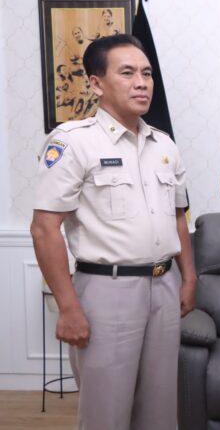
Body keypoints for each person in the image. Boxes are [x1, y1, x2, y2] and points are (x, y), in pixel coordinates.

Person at [30, 34, 196, 430]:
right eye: (127, 73)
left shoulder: (164, 145)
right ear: (96, 83)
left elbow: (178, 217)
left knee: (160, 412)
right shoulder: (73, 142)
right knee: (106, 414)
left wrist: (189, 278)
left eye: (147, 73)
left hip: (164, 285)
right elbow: (44, 229)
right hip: (107, 291)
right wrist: (68, 308)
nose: (141, 83)